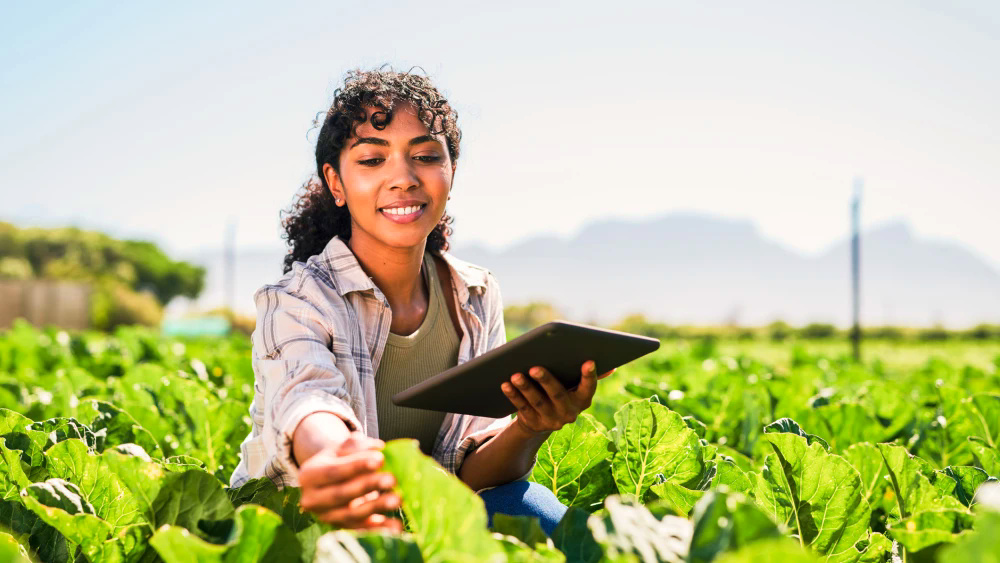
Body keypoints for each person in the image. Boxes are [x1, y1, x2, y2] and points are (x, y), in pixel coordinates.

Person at [229, 67, 615, 537]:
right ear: (335, 182)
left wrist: (531, 426)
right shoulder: (296, 299)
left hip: (420, 523)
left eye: (426, 156)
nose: (404, 178)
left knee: (533, 509)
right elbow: (305, 398)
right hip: (308, 526)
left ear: (451, 170)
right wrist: (333, 456)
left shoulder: (475, 294)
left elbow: (466, 477)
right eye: (372, 160)